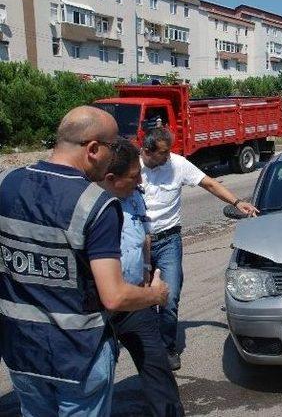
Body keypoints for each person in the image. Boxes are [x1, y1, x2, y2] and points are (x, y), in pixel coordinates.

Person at [0, 106, 169, 417]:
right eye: (113, 146)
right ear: (93, 149)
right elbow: (115, 296)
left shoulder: (6, 183)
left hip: (21, 352)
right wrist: (155, 295)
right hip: (78, 356)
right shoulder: (96, 204)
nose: (115, 154)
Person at [140, 127, 258, 370]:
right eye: (163, 153)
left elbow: (210, 184)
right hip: (137, 242)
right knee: (139, 298)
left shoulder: (178, 164)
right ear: (147, 150)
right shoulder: (131, 167)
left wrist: (237, 202)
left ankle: (167, 348)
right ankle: (143, 347)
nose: (168, 157)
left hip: (169, 240)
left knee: (169, 296)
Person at [100, 139, 184, 417]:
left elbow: (144, 234)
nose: (141, 182)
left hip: (136, 298)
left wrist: (147, 269)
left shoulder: (134, 195)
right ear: (111, 179)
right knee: (96, 376)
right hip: (98, 306)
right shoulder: (91, 206)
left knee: (157, 367)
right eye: (135, 176)